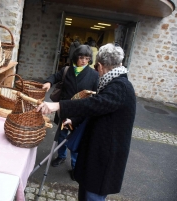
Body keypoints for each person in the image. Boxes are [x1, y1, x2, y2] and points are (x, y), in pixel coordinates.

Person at [37, 43, 136, 201]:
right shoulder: (114, 83)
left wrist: (58, 105)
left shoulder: (121, 87)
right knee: (85, 192)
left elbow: (95, 104)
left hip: (103, 159)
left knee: (92, 196)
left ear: (101, 66)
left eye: (96, 66)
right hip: (95, 153)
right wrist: (74, 120)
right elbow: (96, 110)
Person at [42, 45, 99, 180]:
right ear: (75, 58)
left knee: (76, 139)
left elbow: (97, 94)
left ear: (90, 60)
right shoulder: (67, 70)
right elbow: (54, 76)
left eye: (87, 58)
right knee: (61, 135)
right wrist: (49, 82)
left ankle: (75, 165)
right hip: (64, 109)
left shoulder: (94, 75)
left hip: (80, 112)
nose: (84, 61)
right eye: (81, 57)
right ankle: (61, 156)